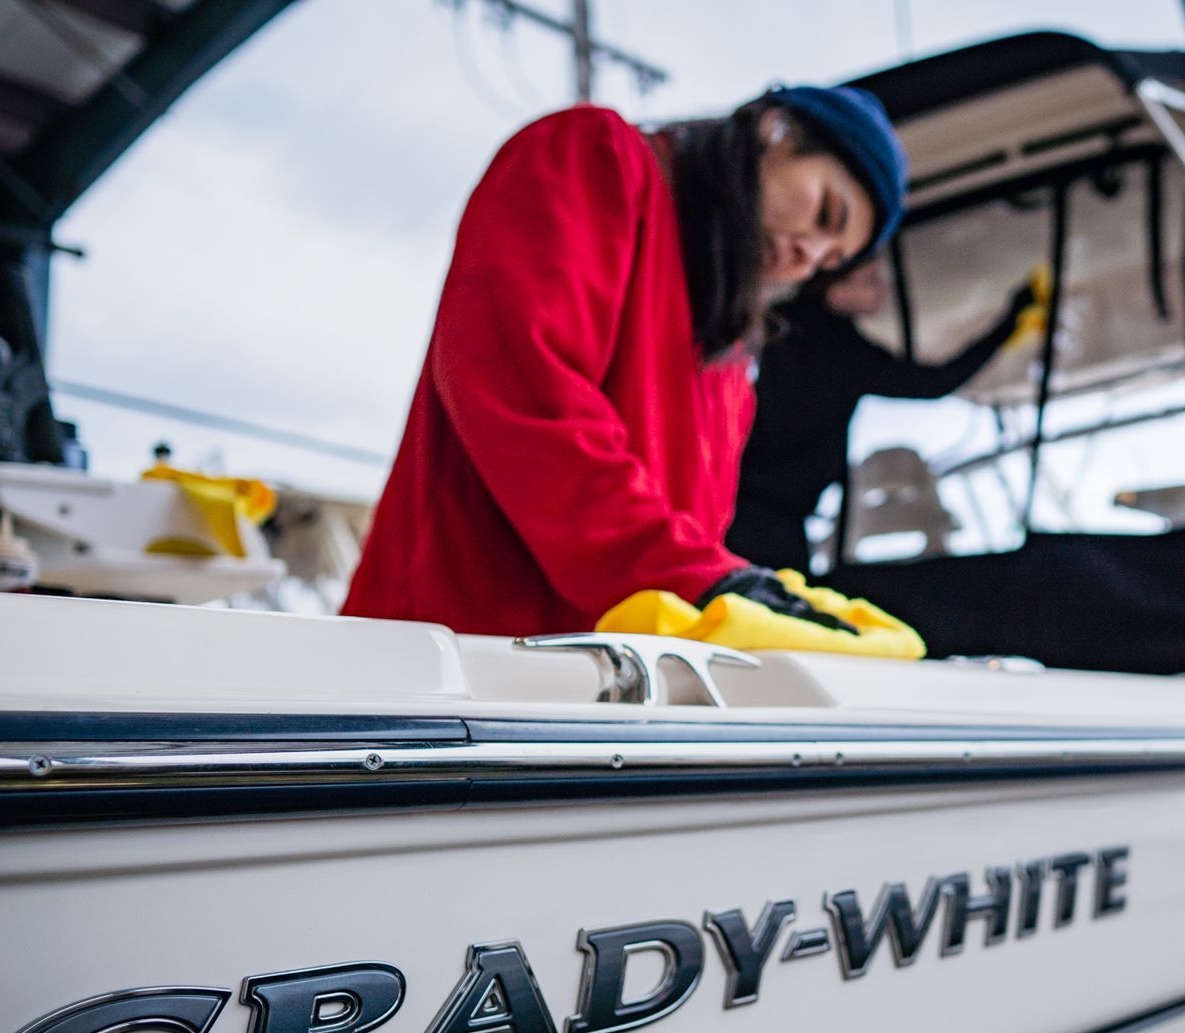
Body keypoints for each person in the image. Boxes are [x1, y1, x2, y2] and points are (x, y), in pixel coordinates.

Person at [343, 86, 908, 637]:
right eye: (825, 214)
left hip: (601, 688)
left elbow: (690, 533)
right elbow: (528, 393)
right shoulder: (591, 157)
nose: (806, 254)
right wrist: (700, 583)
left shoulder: (728, 363)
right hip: (451, 656)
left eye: (829, 260)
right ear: (775, 132)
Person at [728, 259, 1039, 575]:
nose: (883, 287)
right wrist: (1010, 321)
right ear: (836, 288)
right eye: (871, 280)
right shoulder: (840, 349)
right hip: (770, 513)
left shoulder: (780, 320)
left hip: (733, 490)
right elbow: (934, 383)